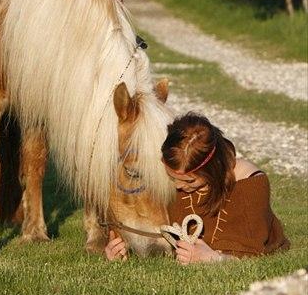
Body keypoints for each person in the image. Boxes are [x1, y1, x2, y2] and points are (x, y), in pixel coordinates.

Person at [105, 112, 289, 263]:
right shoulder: (174, 182)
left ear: (213, 169)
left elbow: (251, 254)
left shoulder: (251, 184)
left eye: (190, 181)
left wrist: (213, 258)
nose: (178, 186)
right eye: (172, 177)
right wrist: (119, 249)